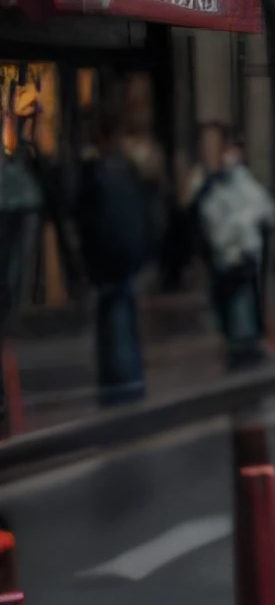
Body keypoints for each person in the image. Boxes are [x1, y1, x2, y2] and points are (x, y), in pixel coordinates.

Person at [75, 101, 160, 403]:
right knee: (123, 315)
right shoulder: (126, 169)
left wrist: (90, 263)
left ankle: (120, 386)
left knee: (114, 320)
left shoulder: (98, 172)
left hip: (110, 261)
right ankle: (128, 382)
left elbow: (91, 221)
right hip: (127, 259)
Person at [191, 122, 275, 369]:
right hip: (221, 258)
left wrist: (238, 236)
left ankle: (244, 353)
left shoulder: (235, 179)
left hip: (236, 258)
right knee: (228, 313)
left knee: (239, 316)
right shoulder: (206, 182)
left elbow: (262, 211)